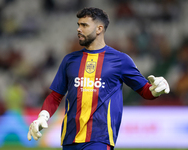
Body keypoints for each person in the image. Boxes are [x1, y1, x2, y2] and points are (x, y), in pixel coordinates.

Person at [27, 7, 170, 150]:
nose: (78, 29)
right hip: (69, 138)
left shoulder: (120, 60)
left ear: (99, 29)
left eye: (84, 25)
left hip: (99, 139)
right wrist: (42, 117)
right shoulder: (69, 60)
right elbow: (55, 96)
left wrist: (156, 90)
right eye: (78, 25)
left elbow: (145, 91)